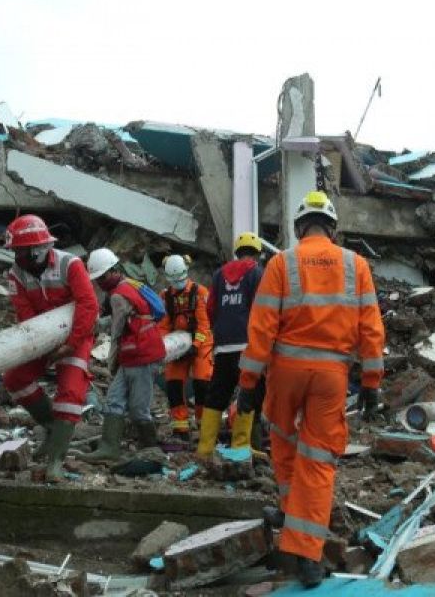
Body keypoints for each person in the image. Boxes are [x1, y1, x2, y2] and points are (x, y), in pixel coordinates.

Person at [237, 192, 384, 587]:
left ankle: (292, 516)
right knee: (318, 460)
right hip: (331, 375)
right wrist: (371, 382)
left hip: (285, 371)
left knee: (283, 442)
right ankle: (306, 554)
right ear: (331, 228)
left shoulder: (281, 263)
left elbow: (262, 326)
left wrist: (249, 382)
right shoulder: (357, 265)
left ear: (300, 227)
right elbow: (371, 329)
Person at [1, 215, 99, 482]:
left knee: (70, 391)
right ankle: (52, 430)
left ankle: (56, 461)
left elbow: (88, 305)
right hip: (43, 337)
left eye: (21, 251)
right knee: (15, 379)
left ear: (38, 249)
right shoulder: (15, 274)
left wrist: (71, 344)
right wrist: (41, 345)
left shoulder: (71, 265)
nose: (17, 256)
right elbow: (25, 313)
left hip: (75, 335)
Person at [83, 248, 166, 461]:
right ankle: (109, 447)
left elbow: (117, 332)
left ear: (112, 271)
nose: (99, 283)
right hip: (138, 354)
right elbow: (125, 320)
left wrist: (111, 364)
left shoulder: (118, 296)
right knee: (114, 400)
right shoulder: (128, 285)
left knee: (138, 408)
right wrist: (100, 324)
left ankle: (149, 449)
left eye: (101, 278)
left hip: (141, 355)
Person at [196, 232, 265, 460]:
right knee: (249, 393)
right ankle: (241, 447)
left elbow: (211, 307)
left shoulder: (218, 275)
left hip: (223, 345)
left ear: (237, 251)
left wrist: (220, 330)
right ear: (256, 253)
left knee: (217, 395)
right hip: (248, 345)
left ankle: (205, 449)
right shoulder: (256, 273)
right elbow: (262, 307)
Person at [157, 254, 213, 440]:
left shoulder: (200, 293)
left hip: (201, 342)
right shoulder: (165, 297)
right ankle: (180, 428)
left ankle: (204, 425)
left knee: (202, 383)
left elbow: (204, 324)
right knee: (173, 383)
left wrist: (196, 345)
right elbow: (163, 325)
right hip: (178, 342)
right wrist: (166, 347)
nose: (178, 283)